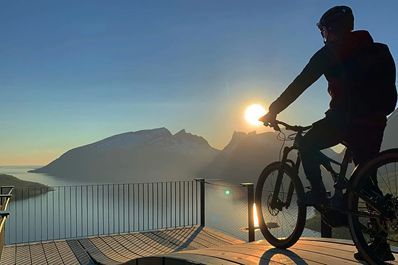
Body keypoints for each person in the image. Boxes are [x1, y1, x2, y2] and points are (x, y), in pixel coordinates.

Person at [260, 6, 397, 261]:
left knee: (305, 141)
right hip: (376, 122)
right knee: (367, 178)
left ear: (331, 30)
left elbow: (299, 84)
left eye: (324, 30)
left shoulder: (329, 53)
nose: (323, 36)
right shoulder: (377, 49)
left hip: (344, 119)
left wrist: (272, 111)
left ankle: (320, 195)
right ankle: (379, 245)